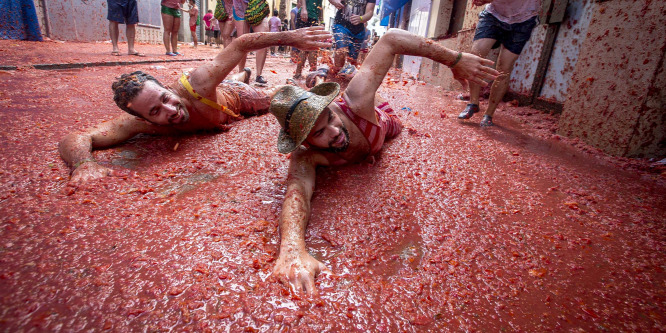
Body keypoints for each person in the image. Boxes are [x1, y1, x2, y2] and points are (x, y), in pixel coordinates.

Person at [268, 28, 500, 294]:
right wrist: (292, 250)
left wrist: (455, 60)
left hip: (383, 117)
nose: (334, 131)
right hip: (364, 122)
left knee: (371, 96)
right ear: (306, 142)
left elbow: (391, 39)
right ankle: (325, 77)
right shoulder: (306, 155)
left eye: (329, 118)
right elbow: (296, 193)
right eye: (319, 133)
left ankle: (337, 78)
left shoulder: (355, 102)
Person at [58, 27, 332, 184]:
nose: (171, 110)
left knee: (276, 97)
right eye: (156, 112)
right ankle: (242, 74)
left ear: (167, 88)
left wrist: (290, 37)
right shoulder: (135, 124)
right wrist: (83, 164)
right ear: (144, 119)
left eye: (166, 98)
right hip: (216, 96)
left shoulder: (197, 82)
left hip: (236, 98)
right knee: (227, 84)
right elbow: (77, 137)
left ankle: (296, 78)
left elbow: (241, 44)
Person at [457, 0, 540, 126]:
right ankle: (473, 103)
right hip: (493, 15)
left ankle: (489, 115)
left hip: (524, 19)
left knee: (504, 69)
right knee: (476, 55)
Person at [328, 0, 374, 78]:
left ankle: (346, 83)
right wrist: (334, 1)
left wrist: (361, 18)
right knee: (342, 50)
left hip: (358, 30)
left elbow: (370, 12)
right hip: (341, 24)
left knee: (352, 60)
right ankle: (336, 78)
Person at [232, 0, 271, 85]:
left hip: (257, 4)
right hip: (239, 6)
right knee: (243, 41)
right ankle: (242, 73)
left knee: (263, 40)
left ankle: (259, 75)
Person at [293, 0, 323, 79]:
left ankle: (304, 73)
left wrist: (321, 20)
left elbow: (320, 5)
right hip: (306, 14)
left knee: (311, 45)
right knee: (308, 45)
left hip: (313, 16)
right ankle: (310, 72)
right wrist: (304, 8)